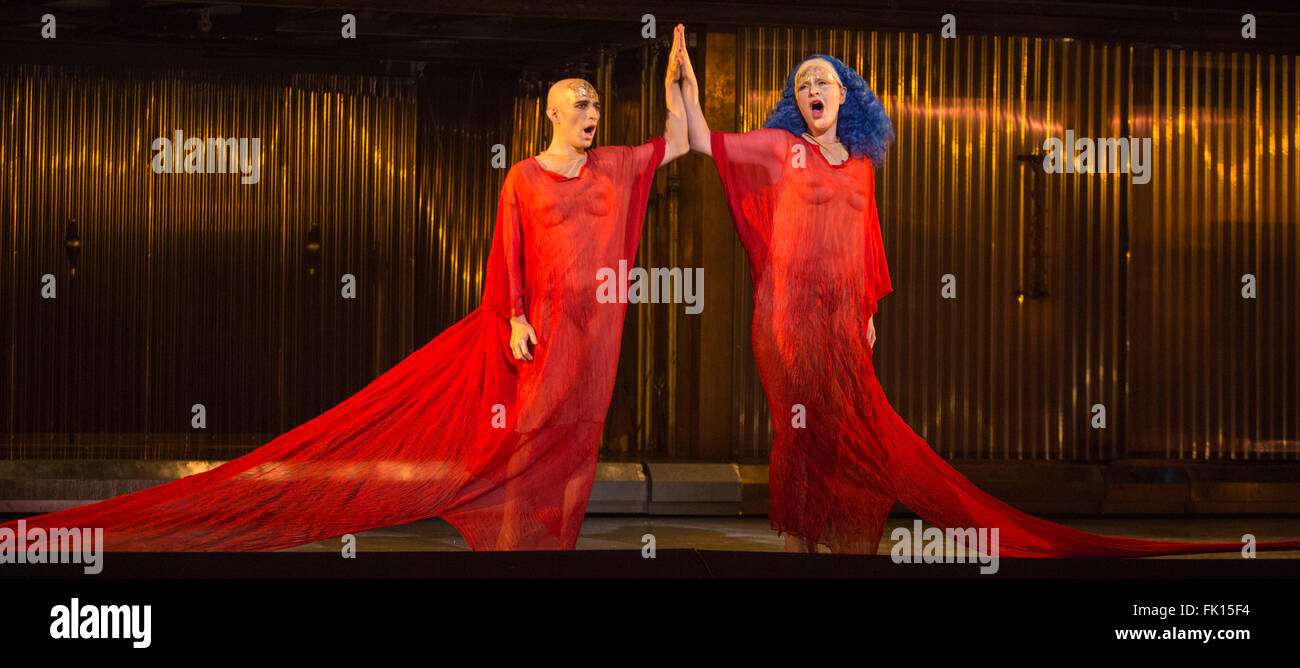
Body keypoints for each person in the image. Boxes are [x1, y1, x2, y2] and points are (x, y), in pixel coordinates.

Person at [0, 35, 690, 552]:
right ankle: (513, 545)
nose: (591, 112)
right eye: (578, 103)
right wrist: (511, 317)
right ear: (550, 114)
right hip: (539, 332)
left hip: (594, 342)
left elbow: (680, 142)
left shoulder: (612, 167)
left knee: (576, 444)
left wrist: (676, 87)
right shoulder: (523, 178)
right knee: (523, 440)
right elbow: (505, 255)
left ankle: (557, 549)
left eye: (594, 102)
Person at [673, 25, 1299, 557]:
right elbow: (705, 141)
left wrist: (868, 310)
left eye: (824, 81)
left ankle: (843, 538)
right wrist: (688, 87)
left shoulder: (860, 164)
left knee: (850, 429)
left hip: (843, 319)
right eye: (802, 83)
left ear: (846, 97)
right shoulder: (784, 148)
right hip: (791, 318)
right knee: (804, 424)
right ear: (795, 100)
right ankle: (802, 543)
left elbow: (864, 242)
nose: (812, 89)